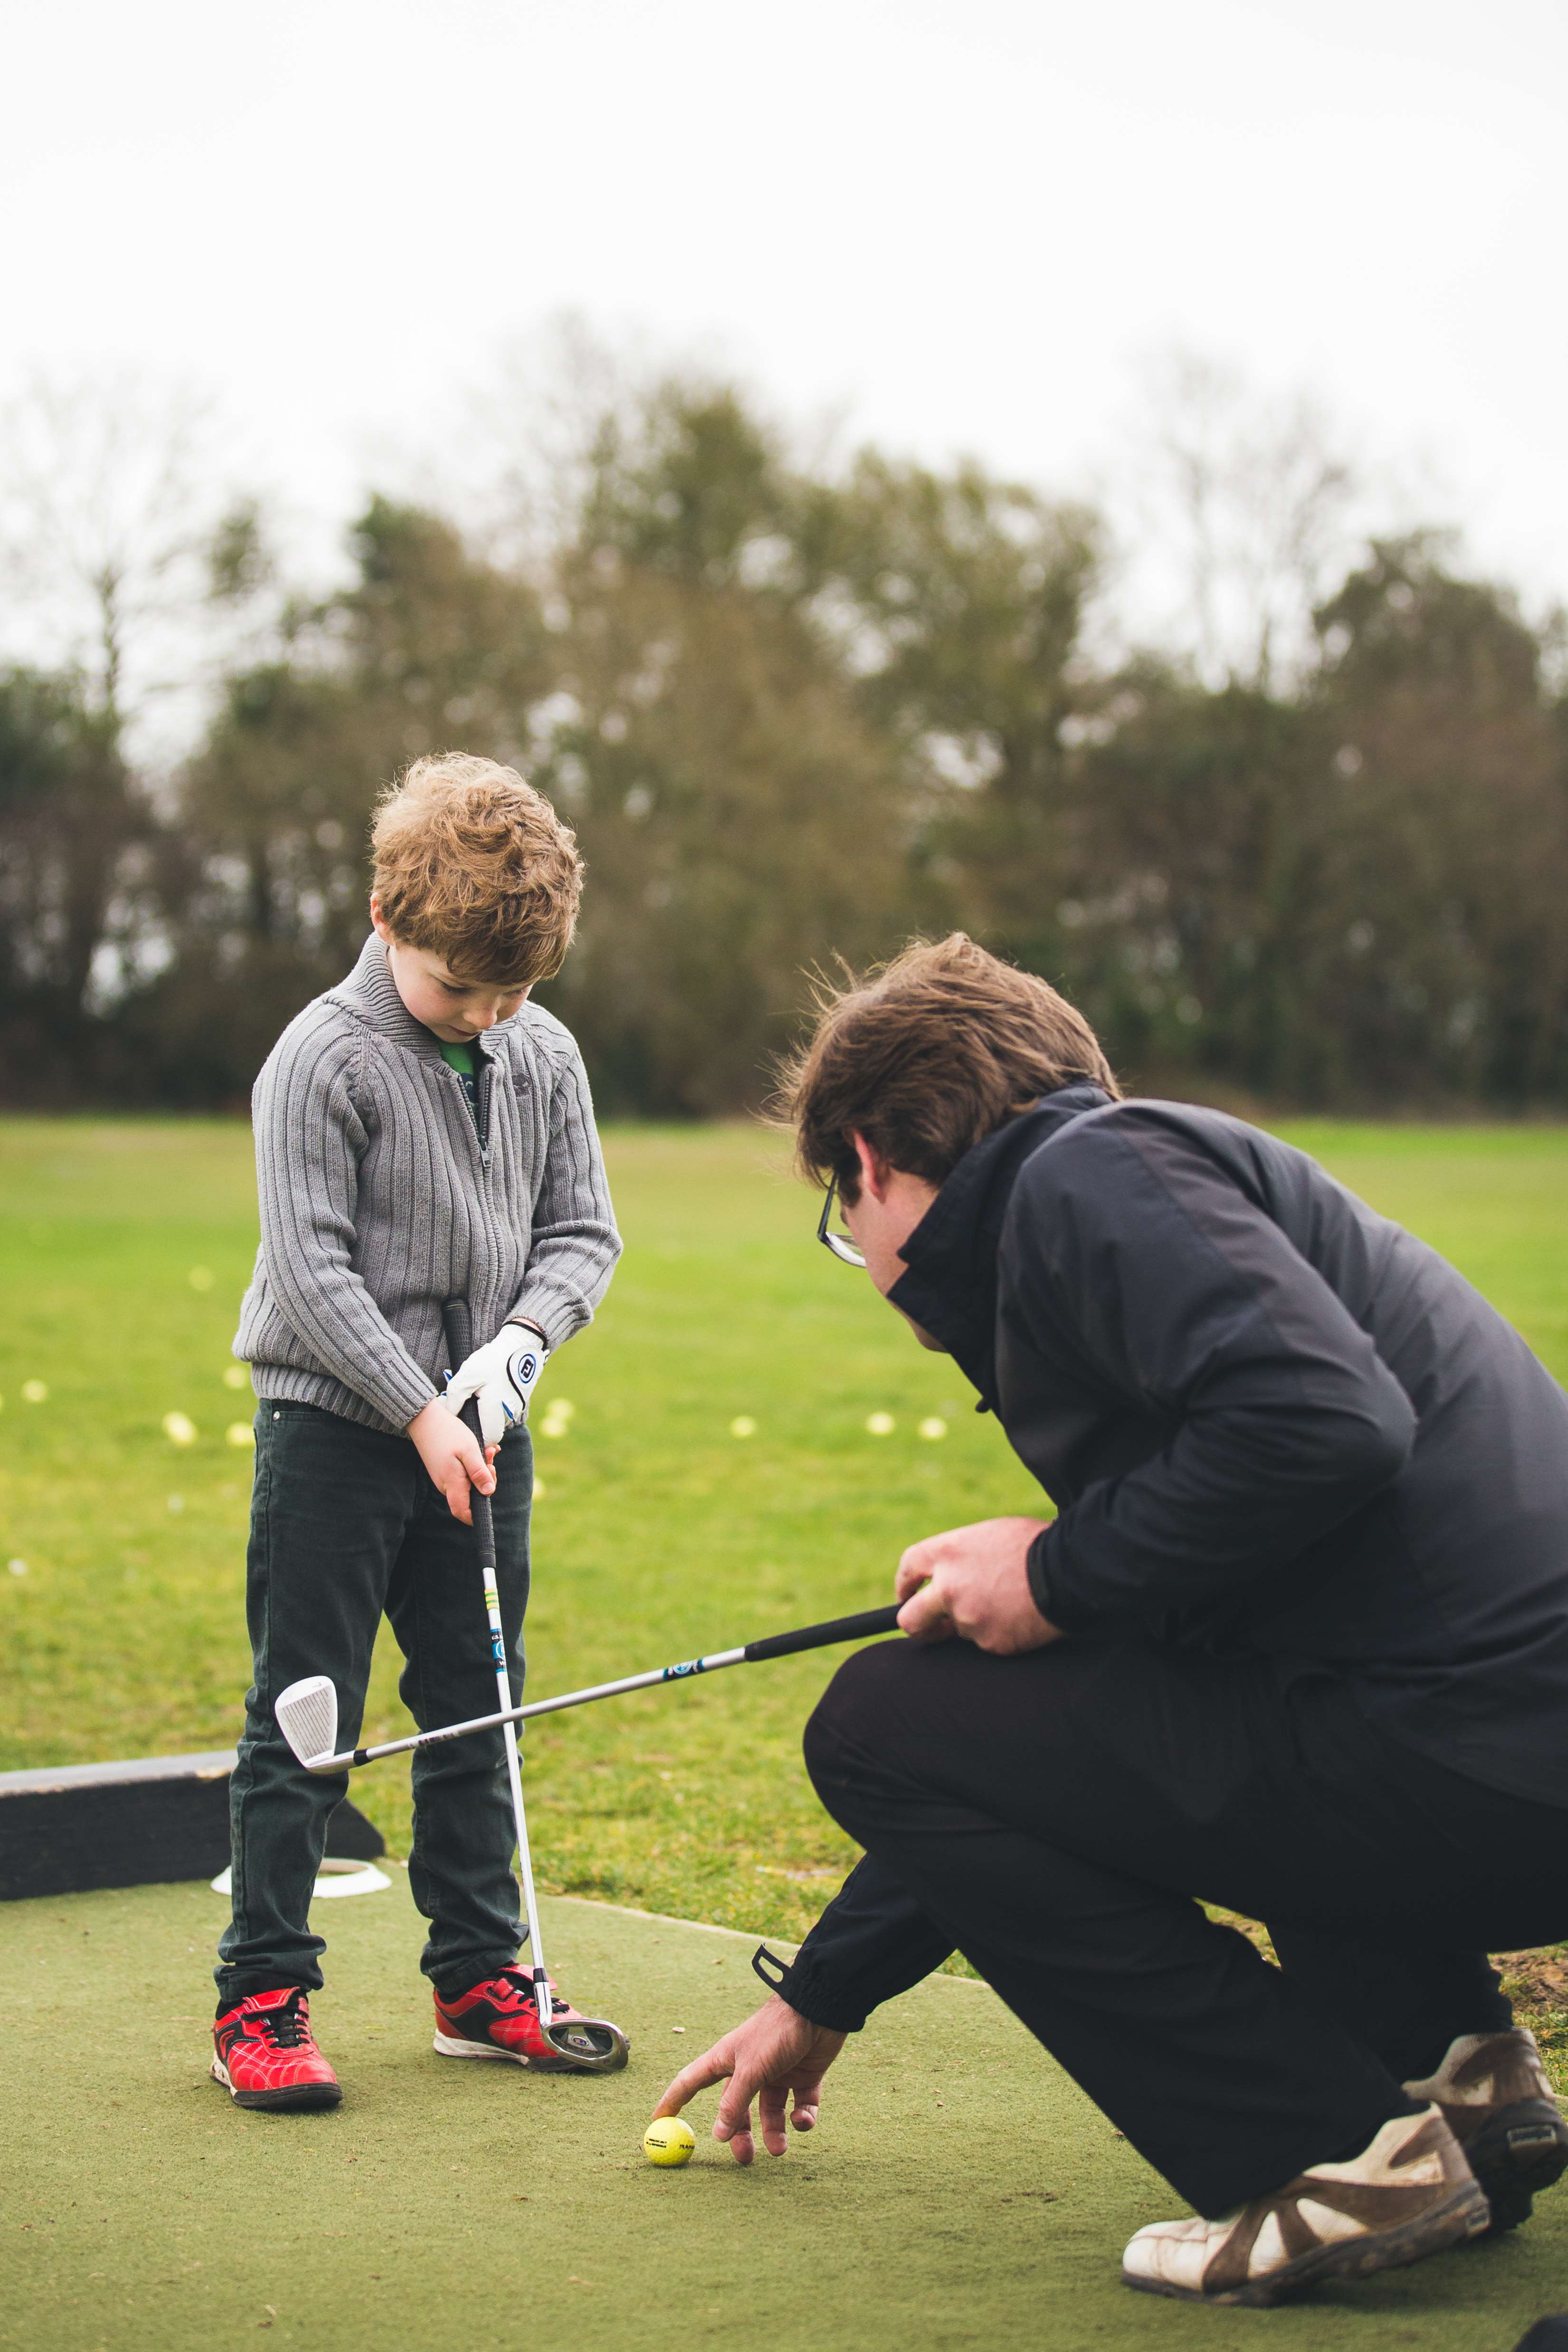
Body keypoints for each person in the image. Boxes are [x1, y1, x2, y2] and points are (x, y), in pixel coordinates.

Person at [653, 933, 1568, 2308]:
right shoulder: (1120, 1192)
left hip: (1476, 1761)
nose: (863, 1255)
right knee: (1166, 1703)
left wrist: (1051, 1575)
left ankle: (1325, 2157)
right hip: (1491, 1772)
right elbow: (1096, 1721)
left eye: (845, 1215)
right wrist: (823, 1991)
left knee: (876, 1721)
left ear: (871, 1163)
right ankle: (1454, 2080)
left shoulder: (1084, 1175)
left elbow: (1327, 1423)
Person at [213, 753, 625, 2111]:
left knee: (478, 1706)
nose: (490, 1015)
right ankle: (260, 1998)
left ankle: (480, 1978)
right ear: (387, 919)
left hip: (483, 1431)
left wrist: (516, 1352)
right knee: (306, 1716)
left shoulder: (540, 1051)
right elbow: (312, 1272)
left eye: (517, 992)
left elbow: (582, 1234)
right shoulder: (319, 1060)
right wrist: (416, 1407)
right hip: (336, 1429)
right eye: (462, 989)